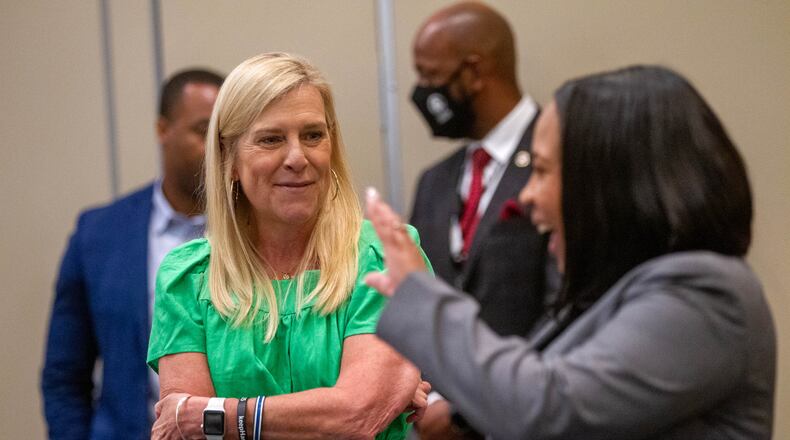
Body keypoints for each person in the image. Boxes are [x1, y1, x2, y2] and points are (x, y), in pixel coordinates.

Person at [365, 65, 776, 439]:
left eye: (541, 171)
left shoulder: (705, 293)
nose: (526, 195)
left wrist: (421, 294)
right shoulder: (613, 287)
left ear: (613, 186)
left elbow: (546, 409)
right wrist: (463, 415)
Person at [146, 52, 430, 440]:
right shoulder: (188, 279)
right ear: (228, 159)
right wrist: (339, 406)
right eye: (271, 139)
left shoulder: (385, 258)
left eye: (313, 135)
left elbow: (356, 416)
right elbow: (184, 431)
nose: (297, 157)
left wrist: (220, 417)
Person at [41, 69, 223, 439]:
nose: (218, 148)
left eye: (226, 133)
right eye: (202, 130)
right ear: (162, 130)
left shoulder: (258, 229)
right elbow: (64, 376)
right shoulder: (99, 234)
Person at [407, 3, 556, 436]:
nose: (421, 91)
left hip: (527, 417)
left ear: (473, 72)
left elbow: (566, 306)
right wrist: (430, 398)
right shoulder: (434, 182)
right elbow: (421, 298)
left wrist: (466, 410)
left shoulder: (563, 162)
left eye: (430, 76)